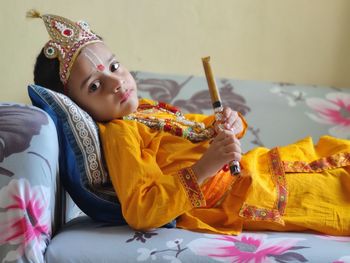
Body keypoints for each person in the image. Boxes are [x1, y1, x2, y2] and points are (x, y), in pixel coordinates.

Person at [30, 10, 350, 236]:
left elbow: (207, 129)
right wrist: (208, 164)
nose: (116, 82)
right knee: (334, 192)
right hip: (243, 194)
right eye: (95, 86)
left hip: (258, 167)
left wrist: (229, 123)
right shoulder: (120, 134)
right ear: (78, 106)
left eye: (114, 65)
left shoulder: (146, 111)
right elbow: (142, 209)